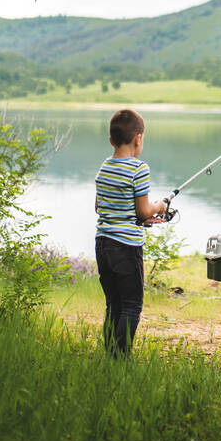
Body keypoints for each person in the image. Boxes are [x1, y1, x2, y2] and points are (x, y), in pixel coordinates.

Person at [94, 108, 167, 356]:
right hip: (126, 248)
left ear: (111, 141)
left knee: (113, 304)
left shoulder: (104, 167)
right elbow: (145, 210)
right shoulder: (139, 169)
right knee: (132, 305)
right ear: (138, 139)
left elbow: (99, 206)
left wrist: (135, 217)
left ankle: (110, 354)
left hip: (103, 245)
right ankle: (120, 359)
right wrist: (160, 206)